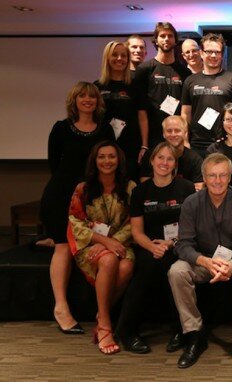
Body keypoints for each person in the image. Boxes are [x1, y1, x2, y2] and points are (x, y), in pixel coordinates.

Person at [168, 153, 232, 369]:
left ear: (230, 177)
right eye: (212, 176)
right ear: (204, 178)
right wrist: (205, 262)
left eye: (222, 175)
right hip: (203, 260)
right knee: (177, 272)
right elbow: (183, 244)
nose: (217, 181)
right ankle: (194, 334)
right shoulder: (191, 203)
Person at [40, 81, 114, 336]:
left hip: (91, 197)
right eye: (82, 96)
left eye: (92, 96)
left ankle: (101, 311)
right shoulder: (60, 129)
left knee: (89, 247)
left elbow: (109, 163)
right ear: (74, 100)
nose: (87, 100)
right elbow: (54, 164)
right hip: (60, 195)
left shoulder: (105, 130)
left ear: (97, 101)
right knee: (62, 247)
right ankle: (61, 308)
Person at [116, 142, 196, 354]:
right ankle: (127, 331)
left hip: (179, 244)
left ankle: (181, 331)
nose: (164, 163)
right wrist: (153, 247)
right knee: (147, 269)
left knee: (174, 270)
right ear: (151, 161)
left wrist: (171, 243)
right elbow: (136, 231)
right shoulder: (141, 191)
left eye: (170, 159)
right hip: (148, 247)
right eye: (160, 158)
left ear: (175, 164)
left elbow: (192, 226)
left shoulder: (186, 188)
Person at [67, 141, 136, 355]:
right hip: (91, 246)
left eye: (111, 156)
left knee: (125, 267)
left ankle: (99, 316)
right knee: (108, 259)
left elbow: (135, 223)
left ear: (119, 160)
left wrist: (114, 242)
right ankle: (105, 325)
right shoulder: (83, 188)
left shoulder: (130, 187)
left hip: (123, 243)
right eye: (102, 157)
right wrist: (104, 242)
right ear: (95, 161)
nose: (107, 161)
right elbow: (74, 222)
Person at [181, 33, 232, 155]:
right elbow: (185, 114)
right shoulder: (190, 81)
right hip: (197, 145)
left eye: (217, 52)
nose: (213, 55)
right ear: (201, 53)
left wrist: (231, 132)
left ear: (222, 55)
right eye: (209, 51)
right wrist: (185, 141)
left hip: (225, 144)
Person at [134, 22, 191, 148]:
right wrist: (144, 143)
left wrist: (185, 139)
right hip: (153, 135)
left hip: (177, 134)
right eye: (162, 36)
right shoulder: (144, 69)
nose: (166, 39)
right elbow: (141, 109)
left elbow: (186, 109)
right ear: (156, 40)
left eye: (170, 36)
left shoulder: (185, 72)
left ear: (175, 40)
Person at [96, 41, 142, 180]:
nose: (119, 59)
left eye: (123, 55)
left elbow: (142, 117)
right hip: (104, 144)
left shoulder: (135, 86)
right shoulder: (97, 87)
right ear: (107, 58)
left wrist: (144, 145)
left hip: (131, 145)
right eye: (115, 55)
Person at [139, 115, 204, 191]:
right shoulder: (151, 155)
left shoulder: (195, 159)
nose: (173, 134)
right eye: (169, 131)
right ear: (163, 134)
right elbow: (144, 187)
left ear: (185, 133)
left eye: (177, 130)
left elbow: (198, 190)